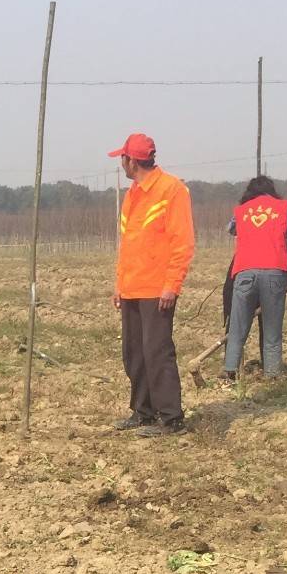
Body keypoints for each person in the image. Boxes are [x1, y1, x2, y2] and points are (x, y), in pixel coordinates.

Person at [109, 132, 196, 436]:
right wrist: (120, 284)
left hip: (157, 289)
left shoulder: (172, 190)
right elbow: (129, 243)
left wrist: (172, 284)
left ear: (131, 160)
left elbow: (182, 242)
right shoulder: (133, 193)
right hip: (132, 287)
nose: (121, 162)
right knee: (134, 353)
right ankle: (142, 411)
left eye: (122, 157)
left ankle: (171, 418)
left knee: (157, 352)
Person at [222, 177, 287, 382]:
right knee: (272, 330)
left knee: (238, 326)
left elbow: (230, 229)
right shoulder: (286, 207)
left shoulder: (242, 210)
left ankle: (230, 372)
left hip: (244, 271)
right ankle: (272, 376)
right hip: (275, 270)